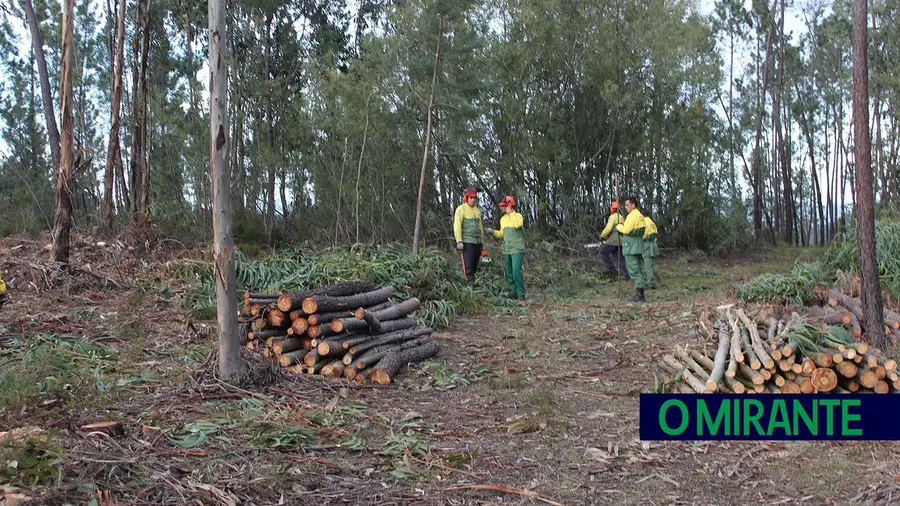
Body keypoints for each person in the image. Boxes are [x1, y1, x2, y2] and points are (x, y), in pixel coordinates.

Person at [486, 196, 525, 300]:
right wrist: (493, 232)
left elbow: (518, 224)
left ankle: (521, 294)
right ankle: (513, 292)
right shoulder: (503, 219)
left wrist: (511, 213)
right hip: (507, 249)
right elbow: (501, 234)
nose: (501, 208)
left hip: (517, 249)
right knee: (509, 272)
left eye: (503, 206)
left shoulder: (518, 216)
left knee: (517, 271)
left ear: (509, 206)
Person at [616, 196, 647, 302]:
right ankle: (640, 293)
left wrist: (618, 227)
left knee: (634, 270)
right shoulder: (640, 216)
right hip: (638, 246)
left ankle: (640, 295)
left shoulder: (632, 215)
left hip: (631, 247)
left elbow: (626, 229)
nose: (625, 207)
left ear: (633, 205)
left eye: (627, 205)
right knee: (638, 269)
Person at [453, 187, 485, 282]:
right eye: (471, 198)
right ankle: (468, 286)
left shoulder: (477, 210)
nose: (473, 200)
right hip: (467, 243)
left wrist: (482, 244)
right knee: (468, 266)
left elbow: (480, 228)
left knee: (475, 265)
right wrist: (459, 241)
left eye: (475, 198)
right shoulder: (461, 209)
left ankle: (473, 284)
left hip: (477, 243)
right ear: (466, 198)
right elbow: (457, 225)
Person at [599, 201, 627, 278]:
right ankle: (624, 273)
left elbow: (608, 229)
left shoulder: (613, 216)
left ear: (612, 209)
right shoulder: (621, 217)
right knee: (619, 257)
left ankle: (611, 269)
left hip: (614, 240)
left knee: (603, 252)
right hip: (621, 240)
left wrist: (602, 236)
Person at [642, 211, 659, 290]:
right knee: (650, 265)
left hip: (646, 245)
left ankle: (650, 283)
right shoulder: (652, 223)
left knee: (647, 265)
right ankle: (651, 281)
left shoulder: (644, 222)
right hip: (653, 244)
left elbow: (644, 235)